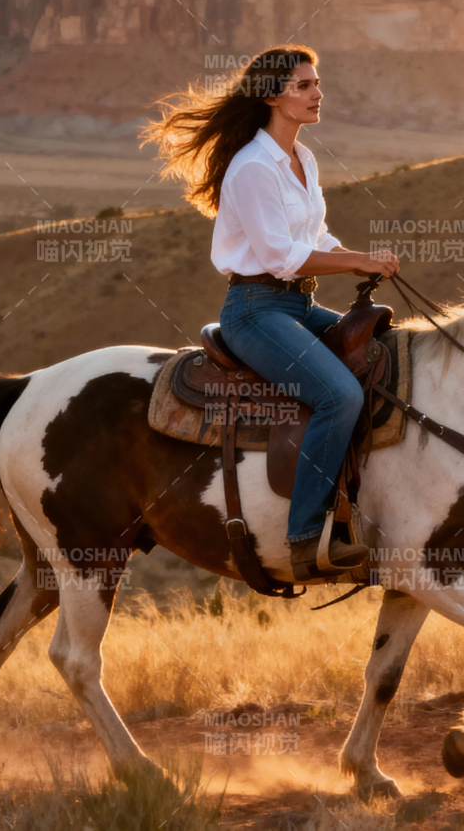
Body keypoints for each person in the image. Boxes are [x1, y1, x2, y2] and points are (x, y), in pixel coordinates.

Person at [141, 45, 400, 580]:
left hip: (298, 304)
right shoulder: (253, 166)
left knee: (387, 355)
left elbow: (313, 236)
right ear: (272, 96)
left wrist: (360, 259)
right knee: (338, 394)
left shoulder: (303, 159)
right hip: (256, 310)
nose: (317, 93)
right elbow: (282, 257)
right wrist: (356, 261)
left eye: (316, 82)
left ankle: (368, 505)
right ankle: (306, 537)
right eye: (304, 85)